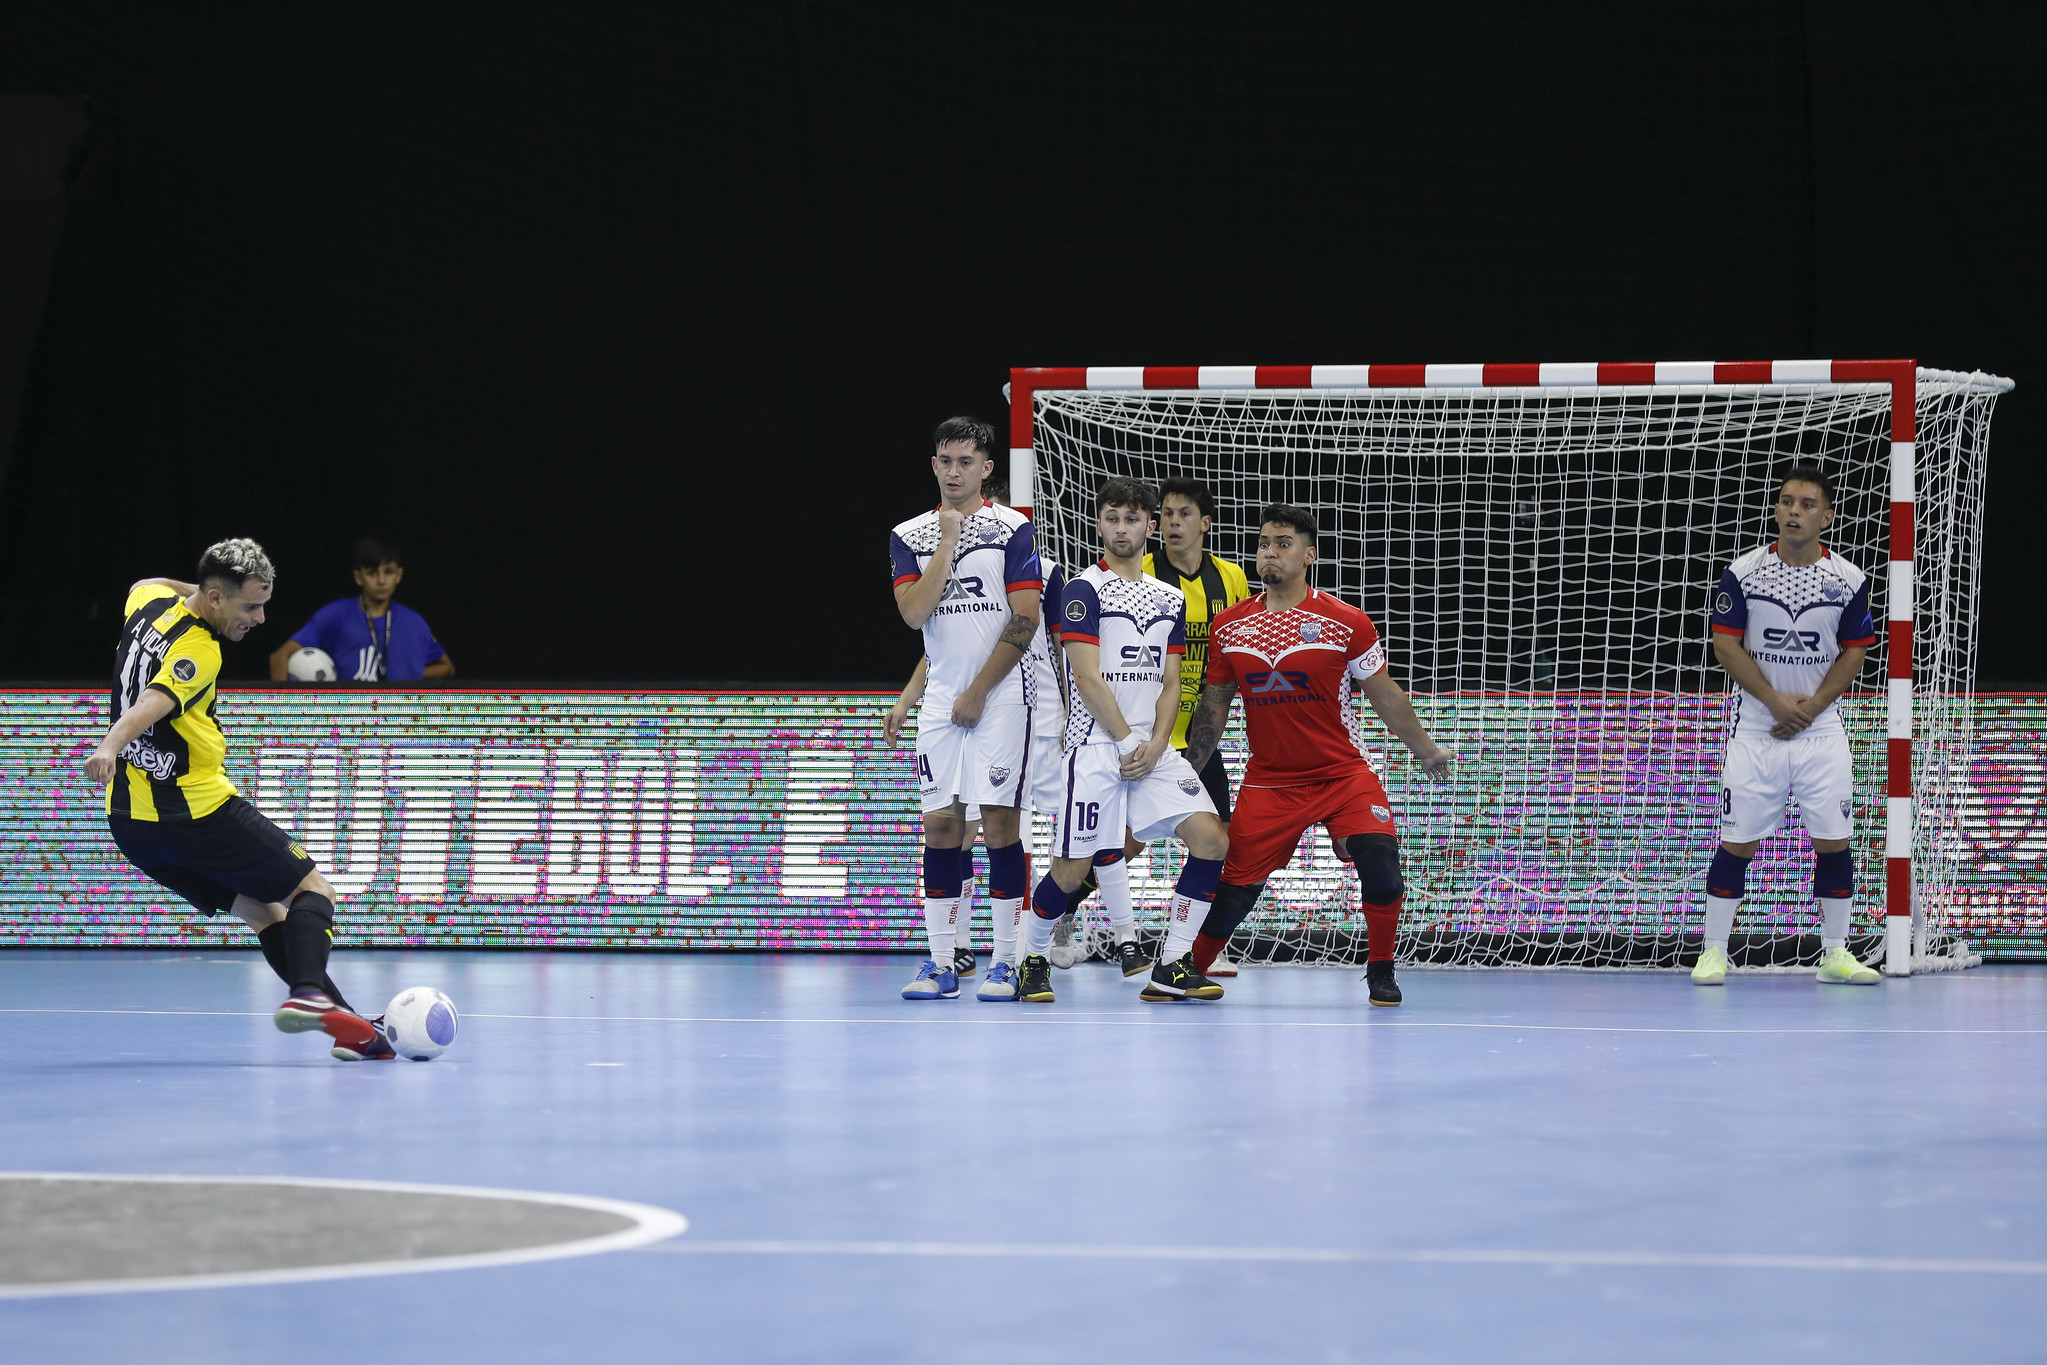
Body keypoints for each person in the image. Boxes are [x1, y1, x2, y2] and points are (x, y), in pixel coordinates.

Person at [82, 538, 389, 1060]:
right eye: (250, 606)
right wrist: (110, 741)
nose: (261, 618)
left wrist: (201, 593)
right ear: (217, 599)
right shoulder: (201, 650)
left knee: (264, 912)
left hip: (132, 826)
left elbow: (142, 584)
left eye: (264, 602)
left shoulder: (150, 603)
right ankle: (311, 995)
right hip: (195, 812)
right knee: (313, 890)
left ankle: (349, 1026)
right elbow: (154, 702)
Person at [1183, 505, 1453, 1007]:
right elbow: (1213, 708)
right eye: (1264, 542)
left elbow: (1384, 693)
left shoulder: (1345, 621)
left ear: (1308, 555)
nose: (1270, 552)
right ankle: (1187, 969)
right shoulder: (1230, 626)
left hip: (1342, 774)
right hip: (1270, 781)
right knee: (1237, 886)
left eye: (1283, 543)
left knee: (1380, 862)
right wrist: (1186, 773)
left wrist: (1427, 750)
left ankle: (1381, 972)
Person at [1020, 478, 1230, 1005]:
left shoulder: (1168, 596)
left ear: (1148, 527)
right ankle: (1031, 959)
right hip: (1095, 748)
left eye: (1131, 519)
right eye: (1111, 518)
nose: (1121, 528)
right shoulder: (1082, 590)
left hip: (1150, 752)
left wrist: (1158, 743)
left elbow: (1171, 681)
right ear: (1099, 524)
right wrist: (1123, 741)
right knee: (1071, 871)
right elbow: (1087, 678)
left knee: (1212, 840)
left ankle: (1173, 964)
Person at [1694, 464, 1881, 987]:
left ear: (1826, 515)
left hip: (1820, 733)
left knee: (1834, 840)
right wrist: (1776, 702)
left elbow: (1856, 651)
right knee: (1737, 843)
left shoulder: (1849, 579)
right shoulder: (1743, 572)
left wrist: (1811, 708)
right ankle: (1713, 953)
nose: (1793, 511)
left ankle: (1836, 954)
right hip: (1758, 730)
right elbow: (1725, 645)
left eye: (1805, 504)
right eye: (1785, 502)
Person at [888, 417, 1042, 1000]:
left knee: (1001, 824)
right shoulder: (909, 534)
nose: (955, 471)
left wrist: (979, 690)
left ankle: (1006, 963)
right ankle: (941, 963)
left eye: (965, 462)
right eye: (944, 461)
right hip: (939, 706)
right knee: (942, 827)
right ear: (934, 465)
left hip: (1001, 699)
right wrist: (948, 540)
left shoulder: (1013, 531)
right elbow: (913, 615)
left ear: (986, 469)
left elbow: (1023, 620)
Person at [268, 537, 454, 682]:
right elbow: (280, 656)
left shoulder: (413, 623)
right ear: (359, 577)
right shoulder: (335, 615)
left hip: (396, 719)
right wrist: (281, 711)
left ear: (399, 575)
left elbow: (447, 668)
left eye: (388, 572)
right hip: (346, 719)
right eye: (372, 573)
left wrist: (407, 671)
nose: (381, 580)